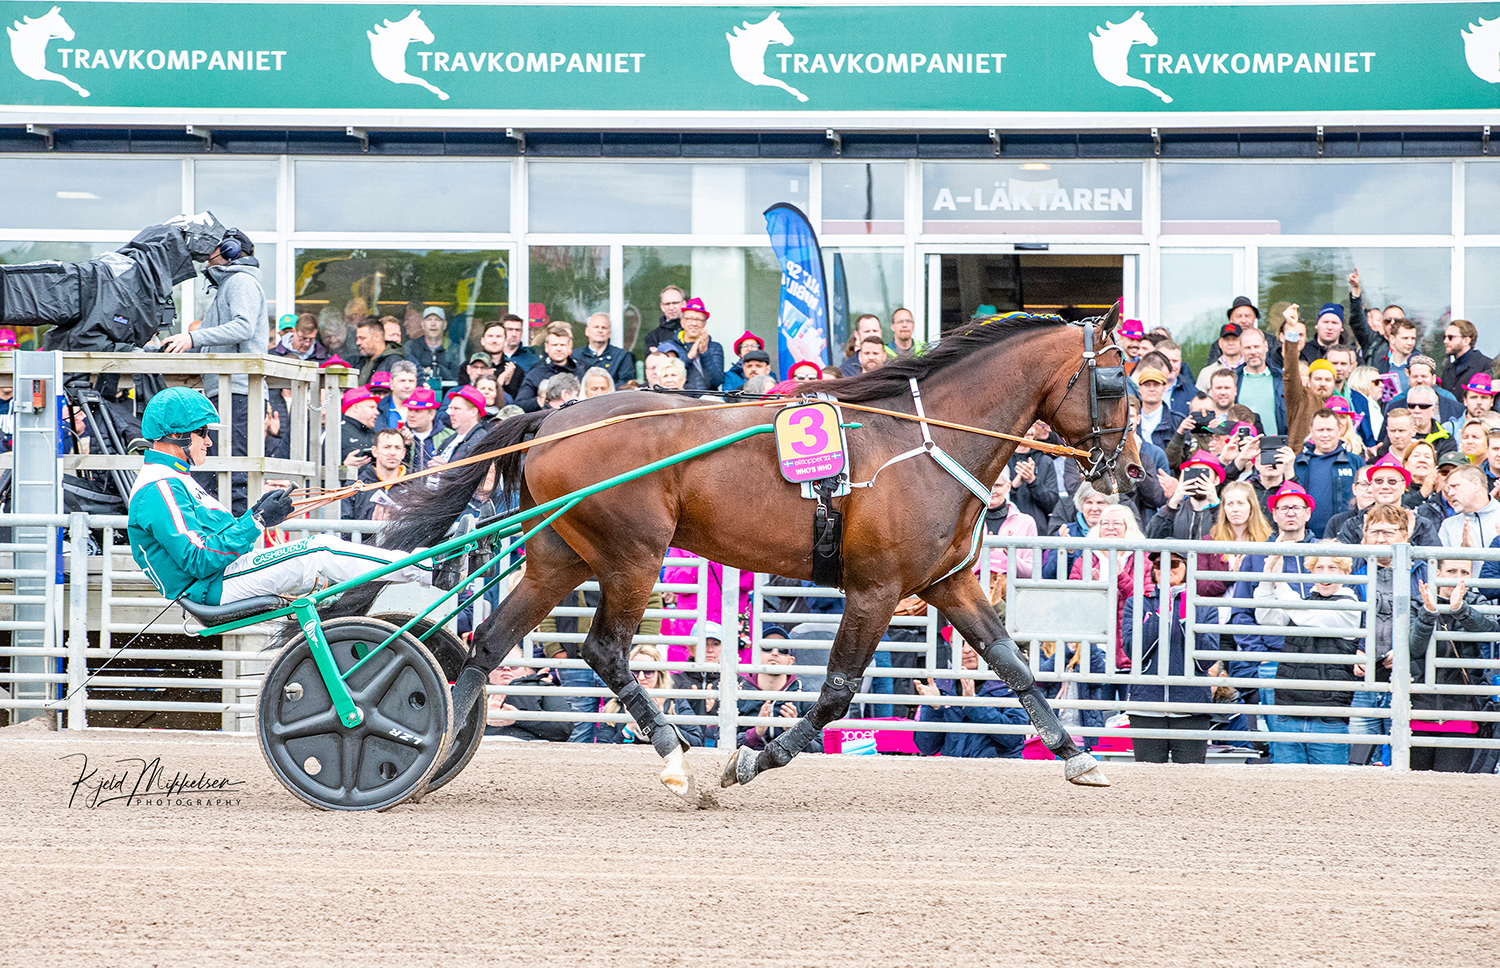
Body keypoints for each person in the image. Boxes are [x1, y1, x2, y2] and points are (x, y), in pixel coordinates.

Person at [126, 388, 432, 607]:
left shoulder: (175, 478)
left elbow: (216, 539)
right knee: (318, 549)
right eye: (202, 432)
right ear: (178, 435)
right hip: (211, 587)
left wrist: (257, 513)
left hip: (220, 579)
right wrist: (258, 521)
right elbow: (200, 560)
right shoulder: (160, 486)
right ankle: (424, 568)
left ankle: (417, 567)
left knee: (320, 548)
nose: (208, 440)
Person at [159, 229, 266, 514]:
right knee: (215, 473)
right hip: (228, 394)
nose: (205, 255)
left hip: (240, 393)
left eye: (212, 248)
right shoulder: (227, 287)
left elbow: (244, 327)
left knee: (234, 474)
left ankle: (243, 545)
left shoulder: (241, 282)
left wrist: (193, 338)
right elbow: (207, 337)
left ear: (229, 251)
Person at [1252, 553, 1363, 765]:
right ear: (1311, 572)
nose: (1325, 574)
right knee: (1287, 788)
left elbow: (1305, 616)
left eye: (1333, 568)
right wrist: (1268, 578)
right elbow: (1267, 618)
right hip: (1289, 711)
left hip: (1328, 716)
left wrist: (1280, 580)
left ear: (1346, 573)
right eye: (1319, 567)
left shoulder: (1350, 606)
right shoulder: (1303, 603)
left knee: (1330, 789)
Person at [1122, 551, 1218, 764]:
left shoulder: (1203, 605)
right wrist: (1160, 613)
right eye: (1159, 565)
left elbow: (1205, 660)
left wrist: (1185, 617)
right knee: (1148, 780)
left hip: (1191, 708)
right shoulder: (1137, 603)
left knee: (1190, 781)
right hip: (1146, 707)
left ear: (1187, 567)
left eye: (1173, 563)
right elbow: (1134, 652)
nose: (1166, 569)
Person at [1409, 558, 1496, 771]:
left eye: (1464, 572)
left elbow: (1490, 632)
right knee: (1414, 786)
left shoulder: (1478, 601)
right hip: (1420, 707)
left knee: (1452, 782)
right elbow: (1413, 648)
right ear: (1437, 573)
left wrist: (1460, 609)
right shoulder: (1417, 603)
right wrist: (1428, 614)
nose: (1458, 577)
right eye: (1451, 571)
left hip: (1463, 708)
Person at [912, 640, 1027, 758]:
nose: (966, 649)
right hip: (953, 771)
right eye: (959, 643)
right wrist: (934, 708)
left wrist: (973, 703)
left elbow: (1014, 738)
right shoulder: (939, 687)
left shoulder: (1010, 684)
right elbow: (926, 748)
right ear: (951, 645)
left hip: (998, 771)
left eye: (972, 642)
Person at [735, 629, 822, 752]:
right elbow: (719, 744)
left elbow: (819, 750)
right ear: (755, 655)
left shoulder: (805, 697)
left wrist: (794, 733)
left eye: (782, 650)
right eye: (767, 647)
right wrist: (755, 734)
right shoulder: (737, 693)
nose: (774, 653)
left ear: (790, 661)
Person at [1293, 409, 1363, 537]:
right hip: (1307, 538)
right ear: (1311, 431)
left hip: (1346, 536)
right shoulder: (1298, 463)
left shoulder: (1355, 461)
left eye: (1329, 430)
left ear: (1339, 430)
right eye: (1320, 430)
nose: (1325, 435)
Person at [483, 647, 572, 742]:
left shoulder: (541, 687)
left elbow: (564, 730)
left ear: (525, 669)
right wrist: (483, 715)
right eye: (499, 665)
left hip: (531, 747)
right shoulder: (476, 690)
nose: (506, 668)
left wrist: (520, 718)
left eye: (514, 665)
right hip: (484, 746)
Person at [1148, 450, 1223, 540]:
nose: (1198, 480)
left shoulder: (1224, 510)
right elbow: (1151, 537)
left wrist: (1216, 505)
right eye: (1193, 474)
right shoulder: (1174, 510)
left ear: (1216, 480)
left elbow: (1227, 537)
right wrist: (1172, 504)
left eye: (1204, 475)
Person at [978, 467, 1037, 581]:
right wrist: (985, 554)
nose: (992, 491)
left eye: (997, 485)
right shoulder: (971, 522)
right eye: (988, 485)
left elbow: (1032, 572)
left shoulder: (1026, 522)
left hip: (1014, 592)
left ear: (1008, 486)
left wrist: (1010, 554)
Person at [655, 297, 723, 392]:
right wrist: (690, 356)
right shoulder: (669, 346)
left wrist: (704, 353)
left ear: (704, 323)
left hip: (707, 399)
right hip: (677, 397)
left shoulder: (715, 347)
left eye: (698, 320)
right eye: (689, 319)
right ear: (682, 322)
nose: (694, 323)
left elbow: (716, 382)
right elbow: (664, 377)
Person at [1006, 421, 1058, 533]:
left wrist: (1033, 481)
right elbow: (993, 499)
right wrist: (1014, 485)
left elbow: (1052, 505)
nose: (1028, 430)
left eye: (1031, 426)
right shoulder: (1002, 461)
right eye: (1025, 426)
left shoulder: (1045, 461)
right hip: (1007, 531)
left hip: (1038, 534)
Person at [516, 322, 578, 413]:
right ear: (546, 347)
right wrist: (539, 401)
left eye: (562, 345)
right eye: (554, 345)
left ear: (569, 347)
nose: (558, 349)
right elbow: (520, 404)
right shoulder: (536, 374)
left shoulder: (581, 370)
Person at [1234, 328, 1284, 436]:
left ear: (1266, 346)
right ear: (1241, 351)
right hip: (1243, 446)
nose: (1253, 352)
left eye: (1256, 346)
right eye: (1247, 348)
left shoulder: (1281, 379)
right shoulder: (1233, 380)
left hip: (1276, 446)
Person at [1438, 464, 1500, 548]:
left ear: (1476, 484)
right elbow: (1443, 561)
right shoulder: (1448, 526)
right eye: (1448, 489)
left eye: (1455, 486)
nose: (1450, 493)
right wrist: (1464, 552)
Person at [572, 312, 635, 387]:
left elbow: (626, 384)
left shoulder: (622, 356)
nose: (600, 331)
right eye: (596, 327)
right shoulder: (574, 356)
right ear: (587, 331)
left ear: (609, 333)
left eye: (604, 328)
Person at [430, 385, 488, 466]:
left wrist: (445, 470)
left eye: (456, 409)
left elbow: (473, 474)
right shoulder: (449, 440)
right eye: (450, 408)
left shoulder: (480, 441)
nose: (451, 413)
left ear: (473, 412)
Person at [405, 306, 461, 388]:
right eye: (429, 320)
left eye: (438, 320)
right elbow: (407, 371)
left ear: (444, 325)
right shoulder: (411, 346)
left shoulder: (454, 348)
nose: (433, 324)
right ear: (422, 324)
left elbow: (457, 375)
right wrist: (423, 371)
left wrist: (437, 370)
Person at [1441, 319, 1492, 397]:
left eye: (1450, 337)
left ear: (1466, 340)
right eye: (1444, 337)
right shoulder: (1447, 369)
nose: (1445, 341)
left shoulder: (1487, 366)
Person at [402, 387, 445, 471]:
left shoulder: (448, 436)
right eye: (410, 410)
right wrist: (405, 445)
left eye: (417, 411)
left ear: (431, 414)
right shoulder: (398, 436)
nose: (411, 415)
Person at [1195, 322, 1245, 391]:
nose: (1230, 343)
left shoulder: (1251, 370)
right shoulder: (1206, 372)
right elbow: (1199, 400)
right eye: (1226, 339)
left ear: (1242, 342)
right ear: (1220, 343)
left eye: (1234, 339)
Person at [339, 385, 379, 467]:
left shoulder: (373, 434)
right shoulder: (336, 432)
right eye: (372, 407)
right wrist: (344, 467)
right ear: (356, 407)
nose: (377, 412)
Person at [643, 284, 686, 349]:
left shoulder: (692, 330)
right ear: (662, 307)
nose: (671, 308)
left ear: (684, 304)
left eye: (675, 303)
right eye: (667, 304)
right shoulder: (653, 337)